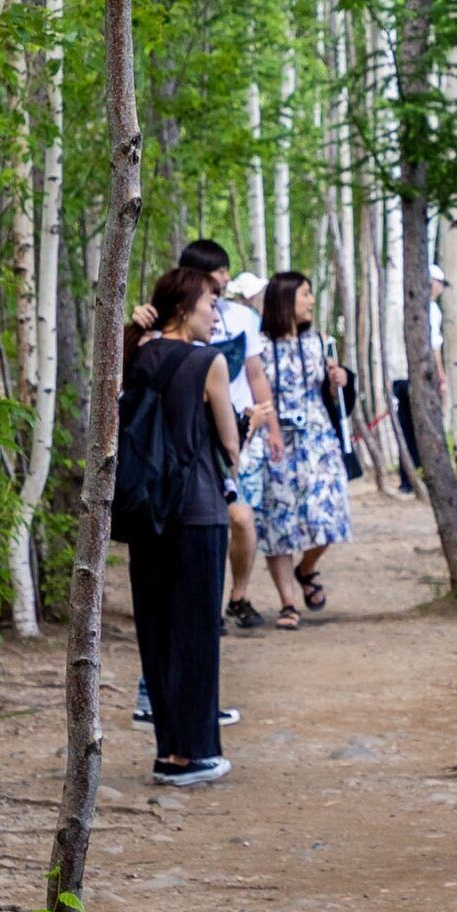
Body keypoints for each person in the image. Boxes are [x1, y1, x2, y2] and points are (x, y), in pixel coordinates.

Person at [122, 263, 247, 786]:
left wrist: (134, 331)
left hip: (148, 511)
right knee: (196, 631)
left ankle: (166, 749)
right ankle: (191, 754)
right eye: (210, 304)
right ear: (182, 309)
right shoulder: (209, 363)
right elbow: (229, 445)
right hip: (197, 511)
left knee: (157, 629)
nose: (216, 314)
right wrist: (242, 432)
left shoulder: (139, 354)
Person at [183, 239, 280, 632]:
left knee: (240, 519)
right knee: (207, 522)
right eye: (218, 271)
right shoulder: (177, 317)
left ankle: (237, 597)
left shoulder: (242, 318)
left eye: (225, 271)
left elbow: (255, 374)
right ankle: (201, 602)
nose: (225, 278)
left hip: (242, 435)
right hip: (192, 437)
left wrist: (271, 427)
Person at [252, 271, 354, 624]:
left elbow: (336, 397)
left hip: (317, 441)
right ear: (285, 301)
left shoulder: (320, 343)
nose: (310, 301)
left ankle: (306, 569)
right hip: (275, 441)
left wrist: (340, 381)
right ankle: (288, 603)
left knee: (327, 514)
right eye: (305, 294)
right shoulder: (260, 347)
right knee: (278, 521)